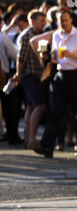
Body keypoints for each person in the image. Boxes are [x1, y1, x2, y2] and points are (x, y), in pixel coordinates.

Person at [34, 8, 77, 158]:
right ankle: (47, 146)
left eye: (66, 20)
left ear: (71, 20)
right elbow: (55, 57)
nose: (63, 23)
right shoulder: (56, 35)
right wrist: (49, 55)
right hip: (61, 75)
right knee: (55, 111)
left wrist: (70, 54)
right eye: (61, 20)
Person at [11, 10, 47, 149]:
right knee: (40, 106)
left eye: (44, 21)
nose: (43, 24)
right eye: (41, 21)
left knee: (31, 107)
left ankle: (28, 138)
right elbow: (21, 57)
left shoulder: (40, 35)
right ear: (32, 21)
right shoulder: (27, 35)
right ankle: (32, 139)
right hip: (29, 75)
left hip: (38, 75)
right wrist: (19, 75)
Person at [0, 14, 21, 145]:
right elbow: (15, 55)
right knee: (10, 107)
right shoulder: (3, 38)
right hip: (3, 76)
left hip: (3, 75)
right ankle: (12, 135)